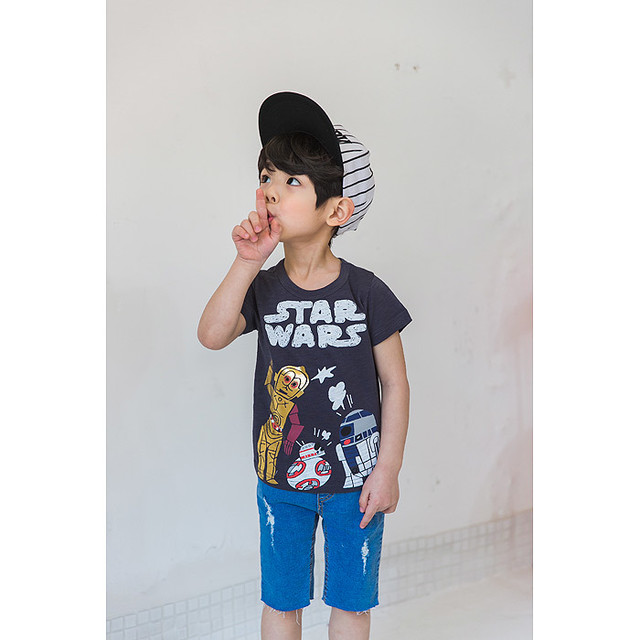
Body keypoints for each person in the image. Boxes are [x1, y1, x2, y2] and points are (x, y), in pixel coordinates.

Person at [197, 91, 412, 640]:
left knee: (351, 603)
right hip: (280, 479)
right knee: (282, 600)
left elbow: (395, 383)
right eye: (267, 175)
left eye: (292, 181)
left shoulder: (367, 292)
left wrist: (387, 468)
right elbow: (212, 335)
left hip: (356, 483)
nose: (271, 189)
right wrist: (247, 261)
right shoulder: (263, 286)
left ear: (336, 210)